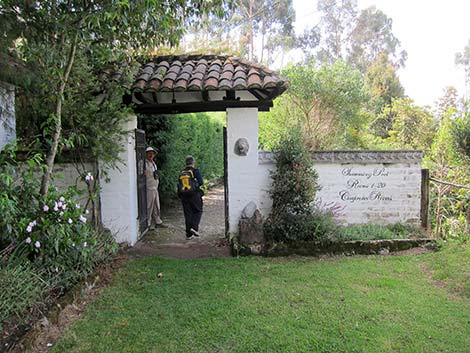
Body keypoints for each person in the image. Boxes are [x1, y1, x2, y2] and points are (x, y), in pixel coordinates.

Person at [178, 155, 204, 239]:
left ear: (186, 163)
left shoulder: (182, 172)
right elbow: (201, 182)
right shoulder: (195, 170)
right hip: (194, 194)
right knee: (198, 211)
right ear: (193, 163)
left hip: (184, 195)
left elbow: (179, 184)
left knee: (188, 213)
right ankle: (194, 227)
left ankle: (188, 234)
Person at [145, 146, 163, 229]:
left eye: (152, 153)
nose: (151, 155)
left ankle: (158, 221)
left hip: (155, 187)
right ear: (146, 154)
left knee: (156, 206)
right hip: (149, 187)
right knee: (149, 206)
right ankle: (147, 223)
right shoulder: (144, 164)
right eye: (149, 153)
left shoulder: (153, 163)